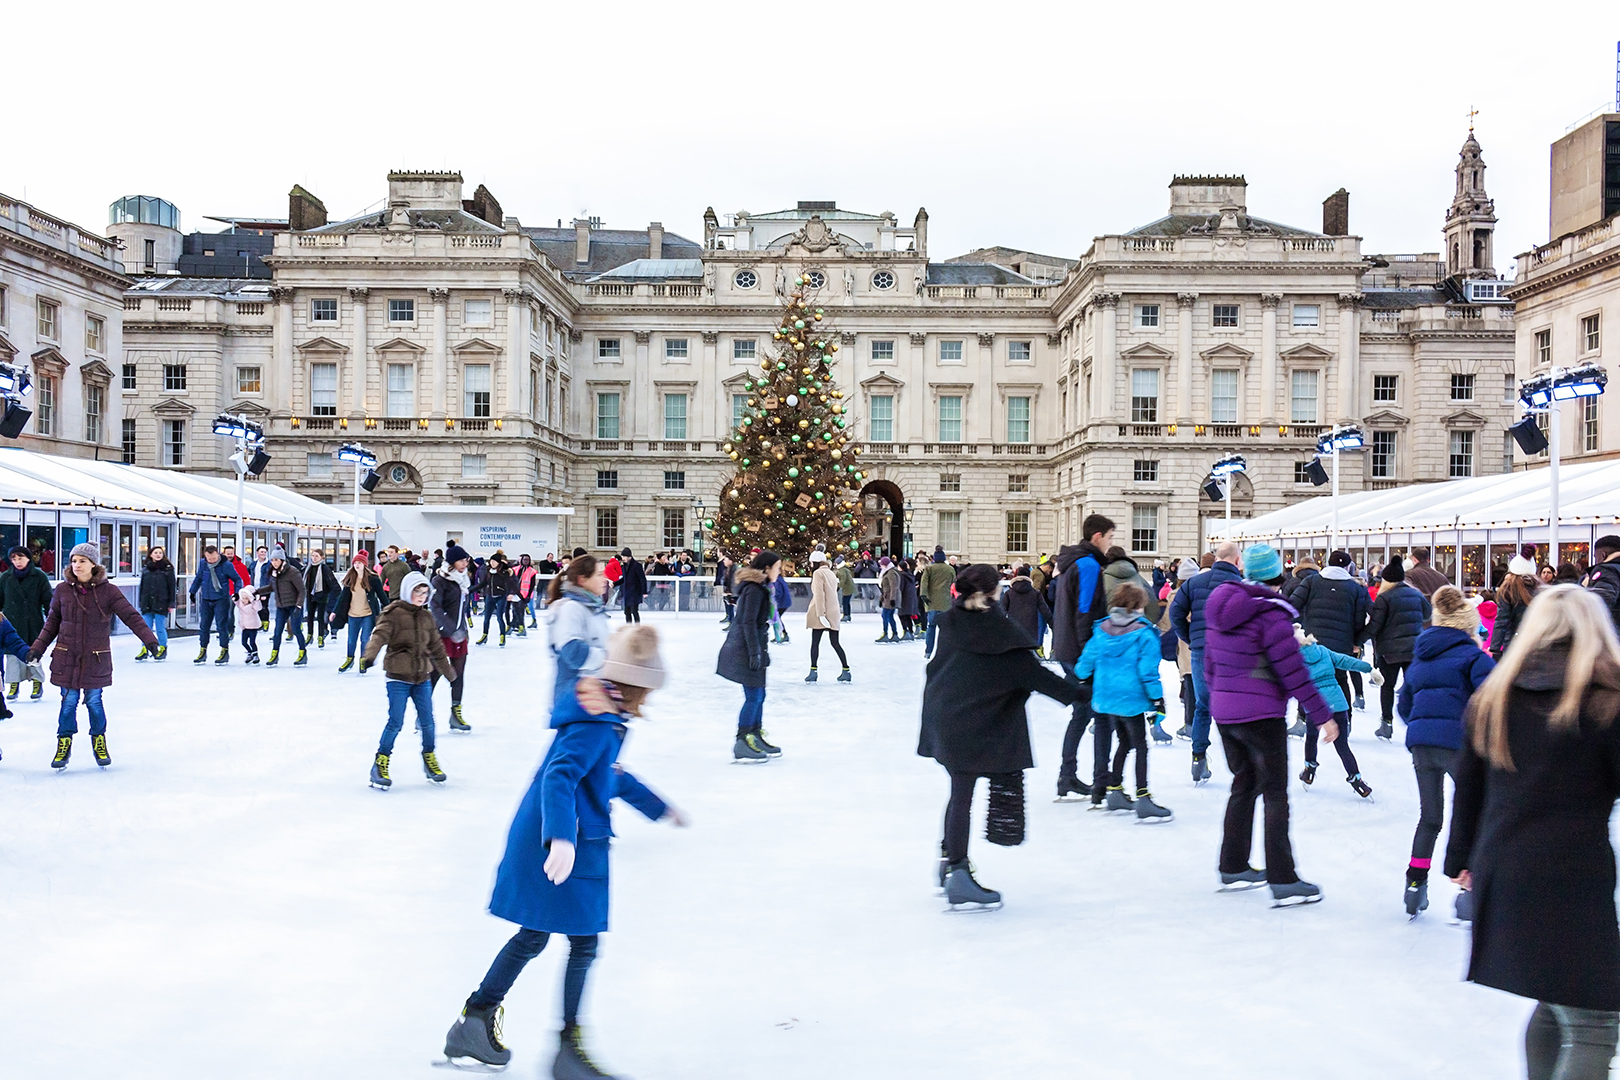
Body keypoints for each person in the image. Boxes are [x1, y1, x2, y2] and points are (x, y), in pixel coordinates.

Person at [443, 625, 684, 1073]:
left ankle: (475, 1022)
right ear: (640, 685)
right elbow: (561, 776)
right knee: (582, 942)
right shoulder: (597, 722)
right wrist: (561, 838)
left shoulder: (603, 714)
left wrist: (656, 806)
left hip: (557, 834)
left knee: (537, 934)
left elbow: (605, 775)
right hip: (560, 840)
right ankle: (567, 1050)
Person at [1444, 586, 1620, 1080]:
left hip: (1505, 868)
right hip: (1572, 875)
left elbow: (1468, 788)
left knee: (1555, 999)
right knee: (1594, 1020)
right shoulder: (1607, 702)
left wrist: (1461, 859)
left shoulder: (1494, 697)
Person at [918, 563, 1079, 910]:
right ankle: (958, 872)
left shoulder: (950, 622)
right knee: (962, 794)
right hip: (973, 726)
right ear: (995, 592)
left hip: (945, 719)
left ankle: (951, 861)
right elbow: (1039, 678)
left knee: (959, 793)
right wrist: (1088, 695)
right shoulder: (1000, 635)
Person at [1203, 543, 1336, 904]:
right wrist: (1323, 715)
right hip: (1261, 716)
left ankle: (1233, 864)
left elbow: (1210, 666)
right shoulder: (1271, 616)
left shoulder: (1219, 608)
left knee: (1244, 785)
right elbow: (1293, 673)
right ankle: (1283, 876)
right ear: (1277, 576)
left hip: (1226, 713)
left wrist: (1219, 702)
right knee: (1275, 793)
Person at [1397, 584, 1496, 919]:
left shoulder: (1420, 657)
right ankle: (1468, 890)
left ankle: (1415, 883)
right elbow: (1492, 700)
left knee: (1430, 817)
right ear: (1469, 626)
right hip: (1459, 745)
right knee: (1475, 811)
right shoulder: (1474, 657)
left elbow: (1404, 703)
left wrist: (1423, 726)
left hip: (1422, 744)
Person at [30, 542, 160, 770]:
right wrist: (37, 649)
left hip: (95, 658)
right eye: (73, 561)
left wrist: (149, 639)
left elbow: (130, 615)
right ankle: (64, 743)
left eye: (82, 561)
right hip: (67, 657)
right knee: (68, 702)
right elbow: (52, 623)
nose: (76, 565)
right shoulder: (62, 590)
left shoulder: (107, 591)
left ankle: (99, 740)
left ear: (93, 564)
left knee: (94, 701)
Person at [1074, 581, 1172, 821]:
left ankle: (1116, 791)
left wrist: (1085, 677)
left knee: (1124, 742)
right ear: (1138, 605)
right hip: (1131, 698)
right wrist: (1157, 698)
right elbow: (1147, 670)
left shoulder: (1102, 629)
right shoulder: (1143, 633)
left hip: (1107, 698)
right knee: (1140, 745)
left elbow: (1085, 664)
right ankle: (1143, 796)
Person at [361, 571, 455, 789]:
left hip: (422, 676)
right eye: (417, 592)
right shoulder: (393, 613)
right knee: (396, 722)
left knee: (428, 722)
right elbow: (379, 635)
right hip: (398, 678)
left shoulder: (426, 617)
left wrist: (448, 672)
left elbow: (436, 648)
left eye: (424, 593)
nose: (421, 597)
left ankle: (429, 758)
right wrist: (369, 656)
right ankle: (380, 762)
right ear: (406, 591)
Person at [1051, 515, 1116, 801]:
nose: (1111, 543)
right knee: (1097, 715)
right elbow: (1085, 611)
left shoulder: (1072, 563)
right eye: (1110, 537)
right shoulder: (1088, 565)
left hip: (1067, 648)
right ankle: (1099, 780)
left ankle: (1068, 775)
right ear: (1098, 536)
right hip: (1079, 651)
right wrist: (1086, 659)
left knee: (1082, 714)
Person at [1171, 541, 1244, 784]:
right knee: (1233, 706)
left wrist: (1190, 636)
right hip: (1230, 653)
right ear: (1235, 561)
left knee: (1204, 706)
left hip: (1202, 650)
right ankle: (1240, 761)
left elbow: (1175, 613)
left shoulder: (1194, 582)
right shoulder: (1241, 586)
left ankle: (1198, 757)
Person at [1286, 550, 1373, 726]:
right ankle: (1345, 720)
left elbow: (1292, 605)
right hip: (1343, 642)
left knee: (1309, 680)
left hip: (1313, 642)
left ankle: (1302, 720)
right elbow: (1368, 617)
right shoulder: (1356, 588)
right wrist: (1358, 640)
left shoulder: (1311, 582)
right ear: (1348, 566)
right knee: (1340, 680)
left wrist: (1296, 630)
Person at [1294, 625, 1378, 796]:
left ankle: (1309, 771)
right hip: (1338, 703)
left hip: (1316, 705)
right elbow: (1347, 661)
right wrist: (1369, 669)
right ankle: (1357, 780)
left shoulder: (1295, 660)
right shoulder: (1323, 651)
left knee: (1311, 738)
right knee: (1342, 745)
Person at [718, 550, 782, 762]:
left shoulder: (761, 588)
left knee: (759, 695)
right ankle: (742, 741)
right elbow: (746, 622)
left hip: (753, 647)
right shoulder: (754, 590)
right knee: (754, 697)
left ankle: (754, 735)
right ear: (766, 569)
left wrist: (760, 651)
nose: (779, 572)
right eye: (777, 567)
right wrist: (755, 651)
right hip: (744, 649)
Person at [1367, 557, 1432, 740]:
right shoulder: (1416, 595)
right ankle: (1416, 723)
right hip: (1413, 649)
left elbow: (1374, 626)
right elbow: (1428, 614)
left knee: (1387, 686)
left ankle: (1386, 723)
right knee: (1412, 685)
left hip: (1389, 651)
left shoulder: (1384, 598)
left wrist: (1358, 640)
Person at [546, 554, 611, 710]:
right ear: (583, 580)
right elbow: (572, 651)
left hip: (592, 697)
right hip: (575, 700)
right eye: (599, 574)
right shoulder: (570, 609)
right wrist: (609, 660)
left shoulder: (593, 608)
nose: (605, 579)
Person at [429, 544, 475, 733]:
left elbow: (461, 610)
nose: (465, 563)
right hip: (441, 634)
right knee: (435, 673)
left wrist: (463, 629)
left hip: (459, 635)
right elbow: (435, 607)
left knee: (458, 674)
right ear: (452, 561)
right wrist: (450, 628)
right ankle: (423, 713)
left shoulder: (462, 580)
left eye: (466, 560)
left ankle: (455, 714)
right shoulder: (439, 580)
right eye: (462, 560)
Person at [3, 545, 53, 698]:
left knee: (33, 652)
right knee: (12, 655)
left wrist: (51, 620)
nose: (17, 562)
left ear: (28, 558)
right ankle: (13, 684)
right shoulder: (5, 577)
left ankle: (37, 682)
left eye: (20, 558)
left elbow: (48, 601)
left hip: (33, 622)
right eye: (14, 559)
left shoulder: (39, 576)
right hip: (11, 622)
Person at [332, 552, 388, 673]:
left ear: (364, 564)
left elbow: (382, 596)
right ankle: (349, 659)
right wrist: (334, 612)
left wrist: (390, 609)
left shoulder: (373, 579)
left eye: (359, 563)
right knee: (351, 639)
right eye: (355, 563)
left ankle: (363, 660)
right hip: (353, 615)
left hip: (367, 614)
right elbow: (342, 598)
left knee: (364, 639)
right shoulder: (350, 579)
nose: (357, 565)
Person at [188, 545, 242, 665]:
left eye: (213, 558)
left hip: (221, 599)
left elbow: (237, 579)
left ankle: (224, 650)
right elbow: (199, 578)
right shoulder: (203, 564)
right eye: (209, 558)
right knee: (204, 626)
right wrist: (192, 591)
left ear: (218, 554)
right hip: (206, 599)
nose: (211, 561)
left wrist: (237, 592)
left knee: (221, 626)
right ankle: (203, 650)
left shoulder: (226, 565)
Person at [257, 547, 309, 667]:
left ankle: (302, 652)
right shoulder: (274, 572)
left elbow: (302, 590)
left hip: (294, 605)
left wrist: (299, 606)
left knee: (296, 629)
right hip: (281, 606)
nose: (274, 562)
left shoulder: (292, 572)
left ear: (282, 560)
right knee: (277, 631)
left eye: (276, 560)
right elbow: (271, 587)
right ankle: (274, 654)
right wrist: (257, 591)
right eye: (272, 560)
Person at [804, 550, 851, 683]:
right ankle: (846, 669)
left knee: (815, 643)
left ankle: (813, 671)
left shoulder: (818, 573)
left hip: (822, 612)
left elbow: (819, 595)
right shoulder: (830, 572)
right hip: (833, 611)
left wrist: (820, 614)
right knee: (835, 642)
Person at [1492, 554, 1539, 660]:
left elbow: (1502, 620)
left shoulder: (1509, 589)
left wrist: (1495, 648)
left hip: (1513, 642)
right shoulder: (1541, 589)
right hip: (1536, 642)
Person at [135, 545, 176, 663]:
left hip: (161, 602)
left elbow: (172, 587)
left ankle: (162, 648)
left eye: (160, 553)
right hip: (147, 602)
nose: (158, 555)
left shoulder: (167, 569)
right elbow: (142, 586)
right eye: (155, 552)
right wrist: (141, 602)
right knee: (145, 628)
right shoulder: (146, 569)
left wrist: (171, 603)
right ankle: (145, 648)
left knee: (160, 627)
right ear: (151, 554)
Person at [1000, 564, 1053, 655]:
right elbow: (1045, 611)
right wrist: (1053, 625)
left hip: (1013, 630)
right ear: (1029, 577)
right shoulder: (1035, 593)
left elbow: (1001, 611)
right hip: (1031, 632)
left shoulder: (1009, 593)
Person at [918, 546, 957, 654]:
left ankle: (928, 650)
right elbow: (953, 582)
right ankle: (944, 651)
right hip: (945, 602)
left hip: (932, 602)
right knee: (945, 628)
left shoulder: (929, 569)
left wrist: (923, 595)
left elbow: (924, 583)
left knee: (931, 626)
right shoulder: (950, 569)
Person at [304, 547, 340, 648]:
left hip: (322, 595)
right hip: (310, 595)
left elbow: (331, 581)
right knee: (310, 616)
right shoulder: (309, 567)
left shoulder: (324, 568)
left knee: (320, 618)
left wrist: (337, 593)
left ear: (322, 557)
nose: (314, 558)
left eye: (316, 556)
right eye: (313, 556)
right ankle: (309, 635)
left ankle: (320, 637)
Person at [1584, 534, 1620, 631]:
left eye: (1596, 557)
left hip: (1613, 634)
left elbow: (1601, 600)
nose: (1595, 562)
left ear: (1603, 555)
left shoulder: (1607, 570)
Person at [478, 553, 515, 646]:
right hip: (490, 596)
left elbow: (511, 584)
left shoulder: (504, 572)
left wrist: (512, 593)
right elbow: (483, 583)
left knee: (499, 617)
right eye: (491, 561)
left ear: (498, 562)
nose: (492, 563)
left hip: (501, 597)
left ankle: (502, 636)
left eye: (494, 561)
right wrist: (471, 590)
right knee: (486, 618)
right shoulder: (489, 571)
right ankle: (484, 635)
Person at [235, 569, 264, 665]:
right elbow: (237, 603)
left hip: (253, 627)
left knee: (252, 642)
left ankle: (255, 654)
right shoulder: (241, 604)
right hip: (245, 626)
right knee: (243, 642)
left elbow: (258, 608)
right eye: (243, 598)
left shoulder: (253, 605)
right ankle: (249, 653)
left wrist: (257, 600)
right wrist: (235, 598)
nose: (244, 600)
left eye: (246, 598)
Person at [617, 548, 647, 624]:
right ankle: (629, 628)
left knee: (634, 611)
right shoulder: (624, 566)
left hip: (635, 592)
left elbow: (642, 579)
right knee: (627, 611)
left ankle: (637, 628)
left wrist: (644, 592)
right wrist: (615, 583)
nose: (623, 559)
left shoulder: (637, 565)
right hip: (627, 592)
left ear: (629, 557)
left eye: (624, 557)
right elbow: (624, 579)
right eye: (622, 557)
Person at [876, 556, 901, 642]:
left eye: (882, 565)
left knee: (885, 615)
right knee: (889, 616)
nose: (880, 566)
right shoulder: (887, 572)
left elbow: (893, 587)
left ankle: (886, 633)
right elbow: (884, 588)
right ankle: (894, 634)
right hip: (888, 597)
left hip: (890, 598)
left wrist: (892, 599)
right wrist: (881, 599)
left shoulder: (891, 573)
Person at [770, 565, 793, 644]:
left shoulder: (777, 580)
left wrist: (773, 601)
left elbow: (778, 593)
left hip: (782, 603)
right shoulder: (779, 579)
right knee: (776, 618)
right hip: (783, 602)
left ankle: (783, 635)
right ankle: (779, 635)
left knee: (776, 618)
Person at [715, 554, 737, 628]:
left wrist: (732, 592)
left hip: (733, 592)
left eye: (725, 560)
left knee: (733, 607)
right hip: (728, 592)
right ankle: (731, 622)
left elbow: (735, 582)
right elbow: (724, 580)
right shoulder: (727, 569)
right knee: (729, 607)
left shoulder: (735, 570)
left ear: (730, 561)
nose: (724, 561)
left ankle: (733, 623)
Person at [835, 556, 856, 623]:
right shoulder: (844, 569)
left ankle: (846, 615)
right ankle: (847, 615)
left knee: (845, 602)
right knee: (846, 602)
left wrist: (838, 587)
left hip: (847, 588)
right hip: (849, 588)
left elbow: (843, 579)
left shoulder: (842, 570)